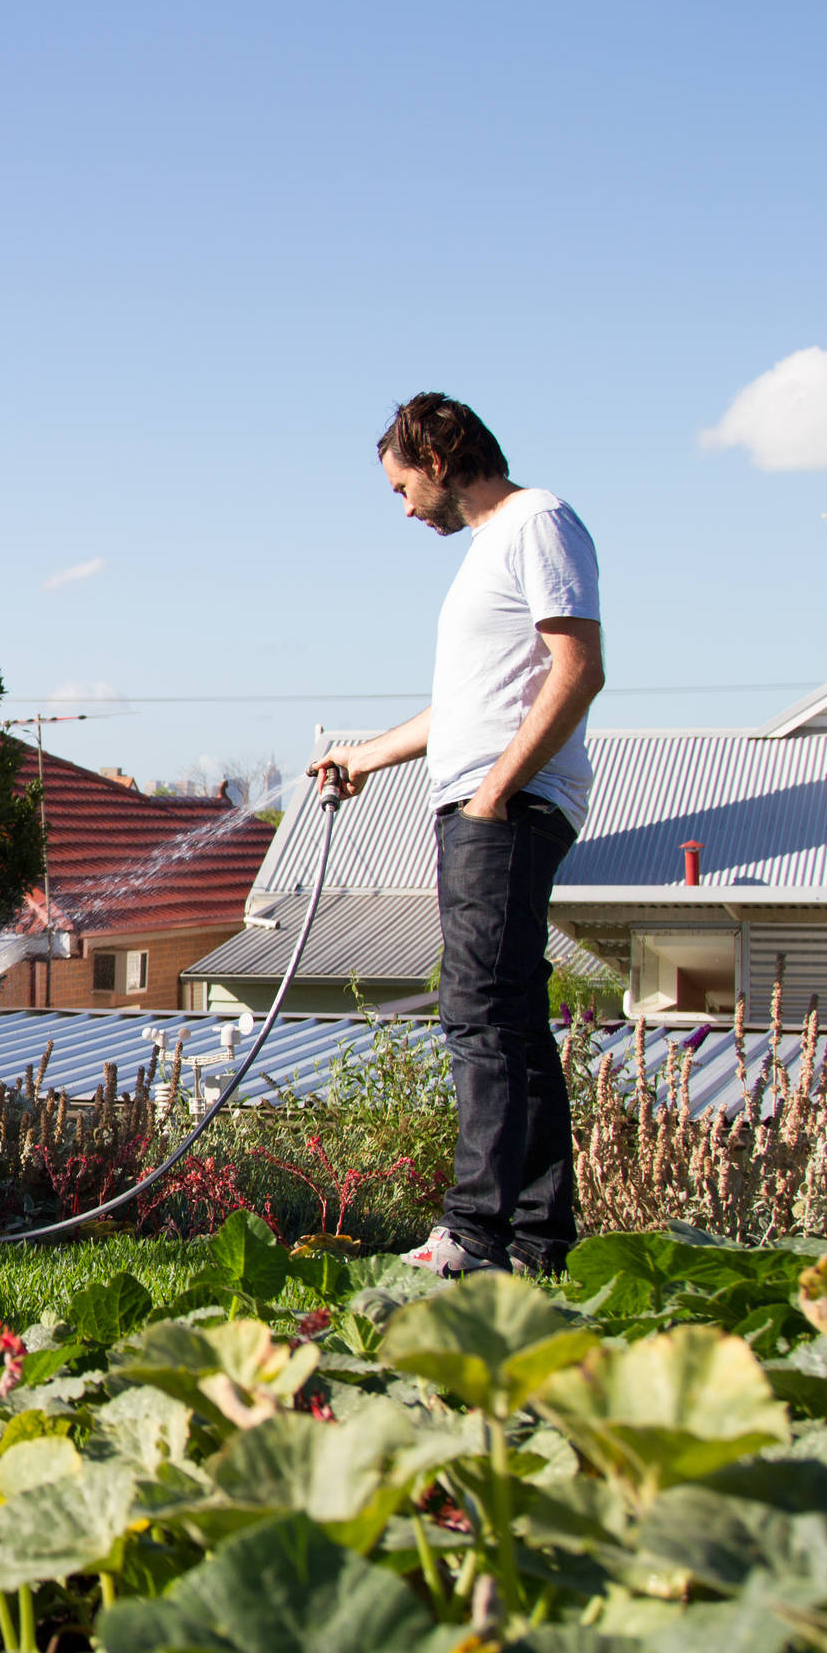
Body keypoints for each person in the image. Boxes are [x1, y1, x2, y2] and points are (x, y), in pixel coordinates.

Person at [307, 394, 603, 1277]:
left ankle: (474, 1233)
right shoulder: (491, 549)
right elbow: (469, 706)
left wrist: (493, 796)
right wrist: (365, 757)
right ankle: (538, 1245)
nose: (403, 508)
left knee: (477, 1012)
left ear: (438, 459)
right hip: (485, 801)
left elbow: (579, 669)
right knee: (511, 1018)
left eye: (403, 487)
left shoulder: (537, 520)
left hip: (505, 805)